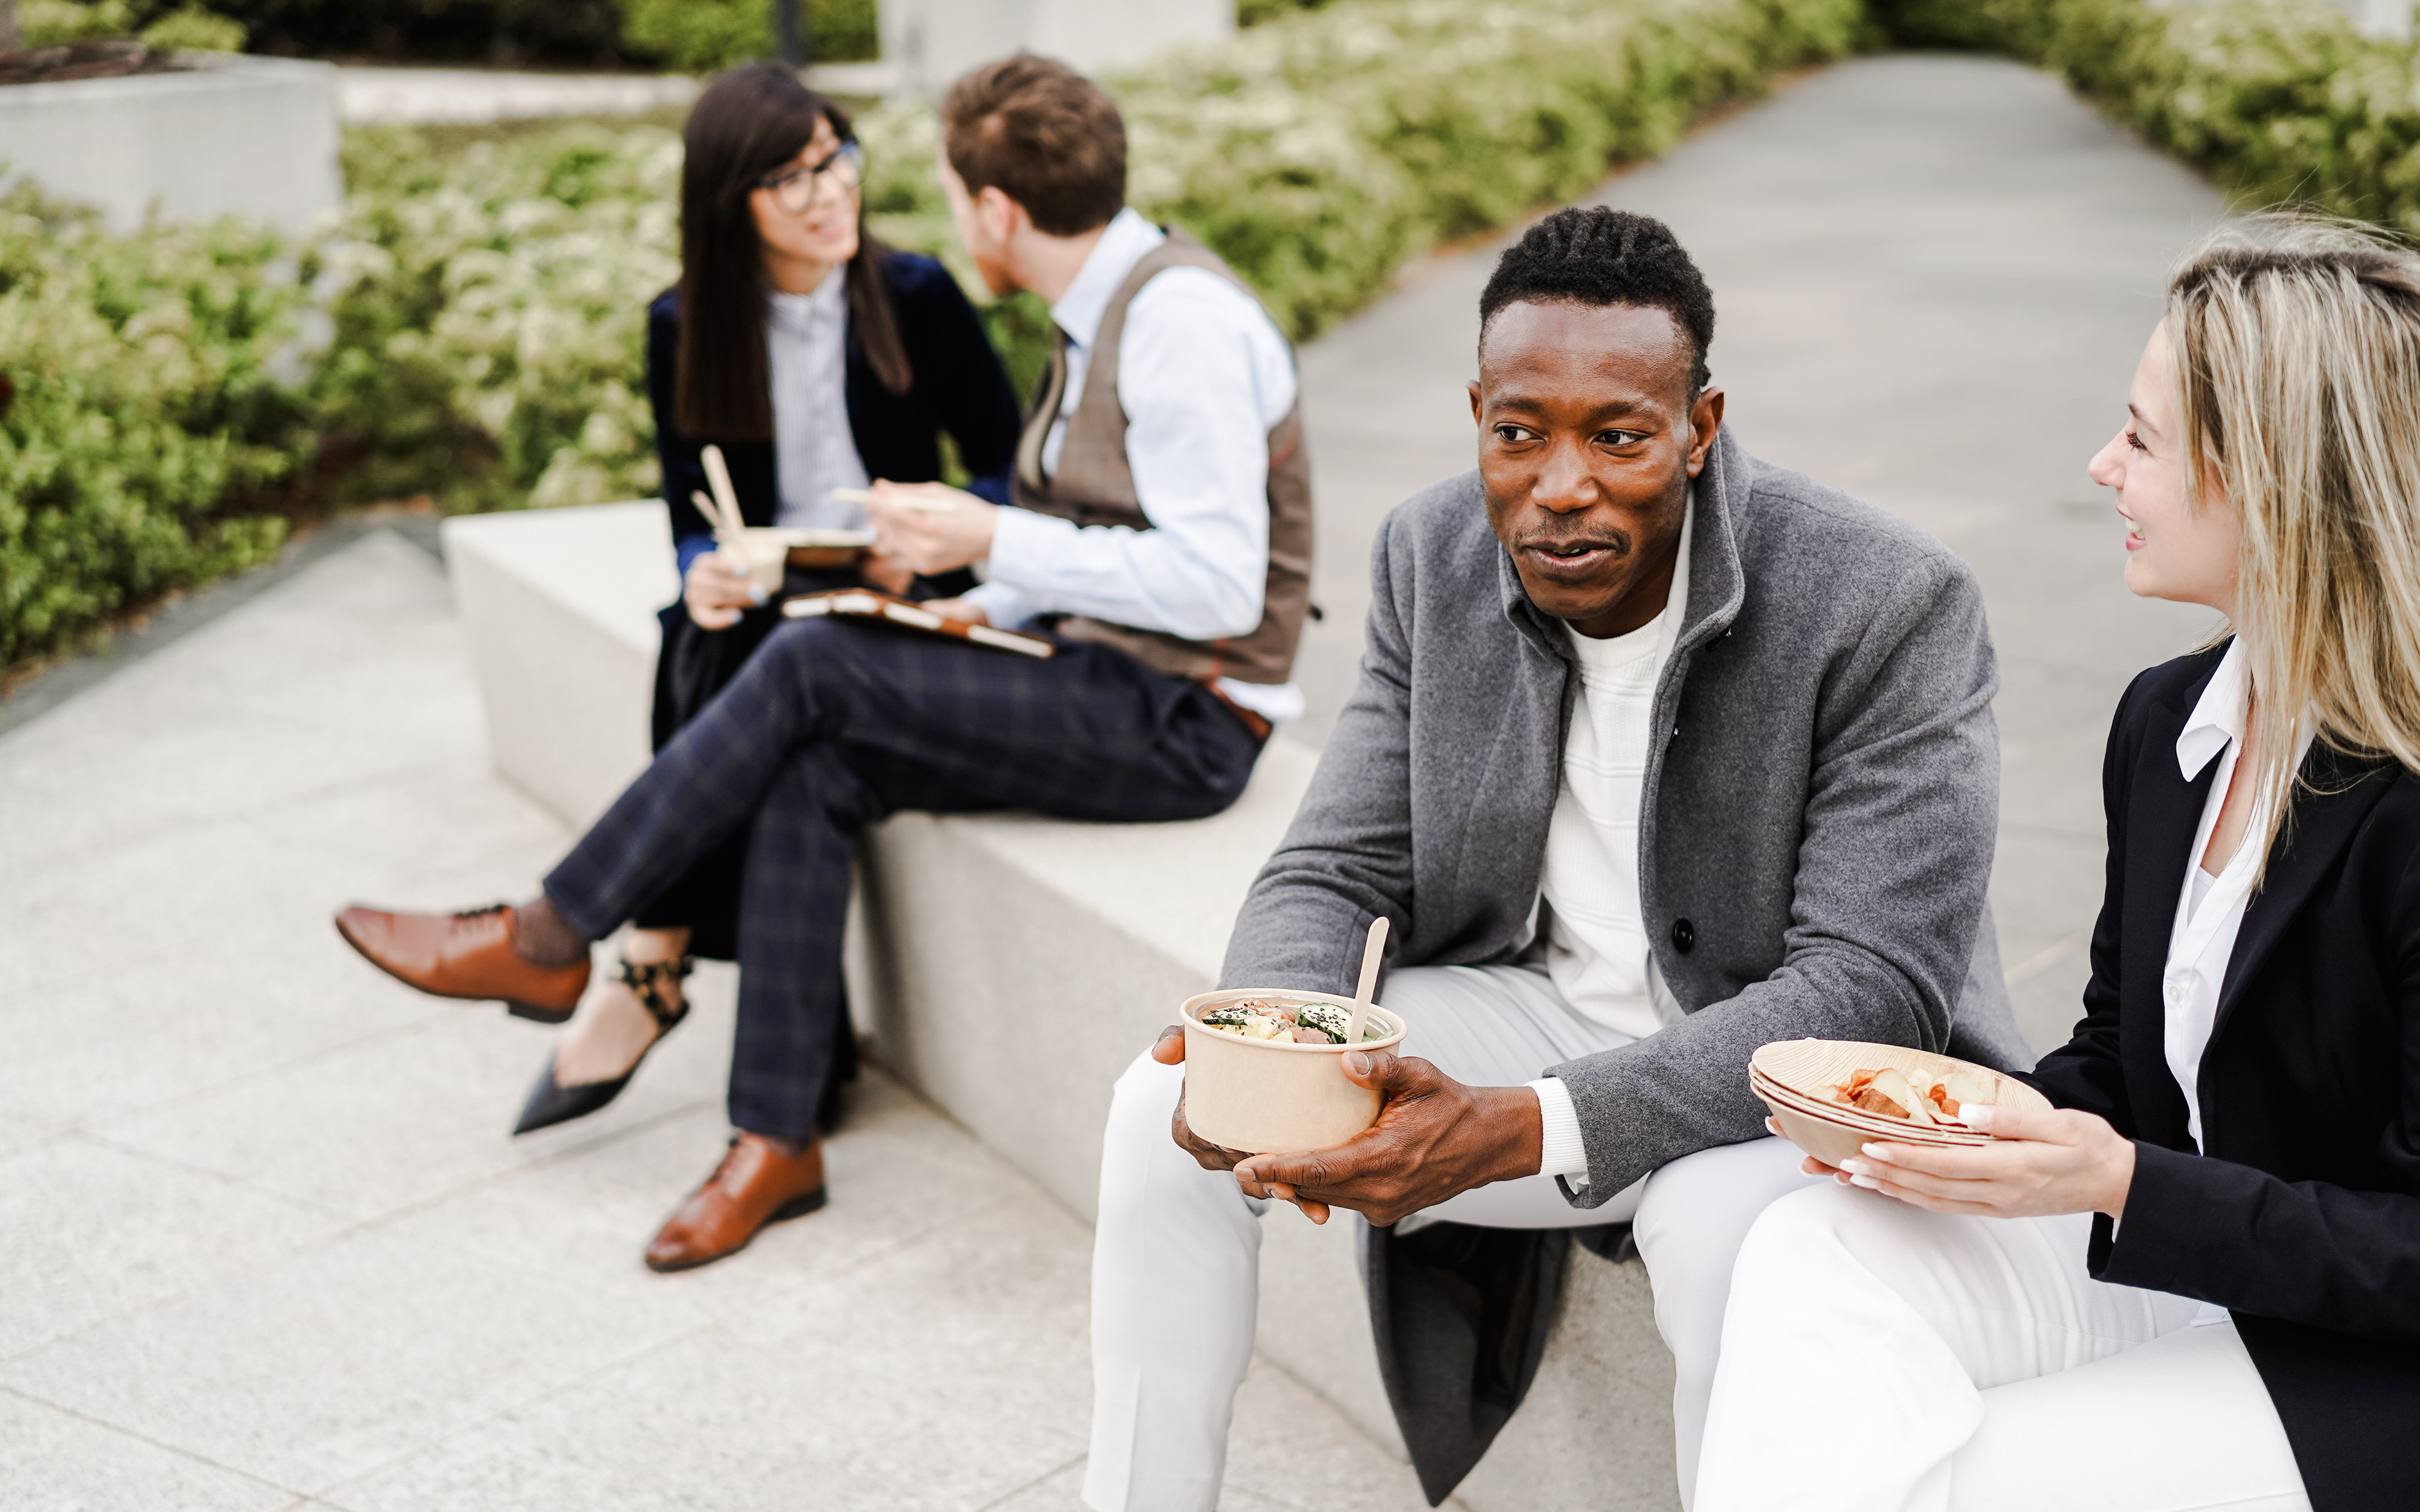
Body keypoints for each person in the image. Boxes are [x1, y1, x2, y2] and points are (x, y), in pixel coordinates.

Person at [1085, 205, 2031, 1512]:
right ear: (1478, 412)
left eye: (1620, 437)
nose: (1560, 484)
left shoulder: (1885, 599)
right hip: (1537, 1017)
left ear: (1698, 430)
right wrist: (1282, 1062)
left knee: (1722, 1241)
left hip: (1780, 1087)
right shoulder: (1431, 556)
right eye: (1518, 433)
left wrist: (1523, 1129)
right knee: (1167, 1104)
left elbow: (1870, 987)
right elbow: (1334, 870)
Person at [333, 53, 1313, 1273]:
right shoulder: (1107, 312)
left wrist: (985, 539)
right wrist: (955, 585)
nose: (932, 220)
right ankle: (774, 1137)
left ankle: (552, 935)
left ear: (994, 211)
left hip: (1190, 715)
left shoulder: (1180, 325)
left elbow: (1217, 586)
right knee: (815, 751)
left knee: (810, 662)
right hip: (1098, 667)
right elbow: (1101, 538)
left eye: (952, 199)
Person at [1691, 215, 2420, 1512]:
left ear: (2272, 480)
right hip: (2194, 1267)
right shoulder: (2167, 726)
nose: (2100, 466)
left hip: (2366, 1362)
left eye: (2140, 438)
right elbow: (2118, 1057)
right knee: (1782, 1237)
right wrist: (1956, 1125)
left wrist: (2120, 1181)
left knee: (1954, 1477)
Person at [508, 64, 1025, 1142]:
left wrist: (925, 536)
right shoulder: (685, 323)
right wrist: (704, 562)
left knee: (719, 665)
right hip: (772, 591)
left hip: (897, 586)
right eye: (790, 179)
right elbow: (690, 513)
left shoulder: (916, 294)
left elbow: (1011, 475)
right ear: (728, 202)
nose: (828, 192)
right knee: (703, 628)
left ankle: (646, 962)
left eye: (835, 158)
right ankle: (778, 1038)